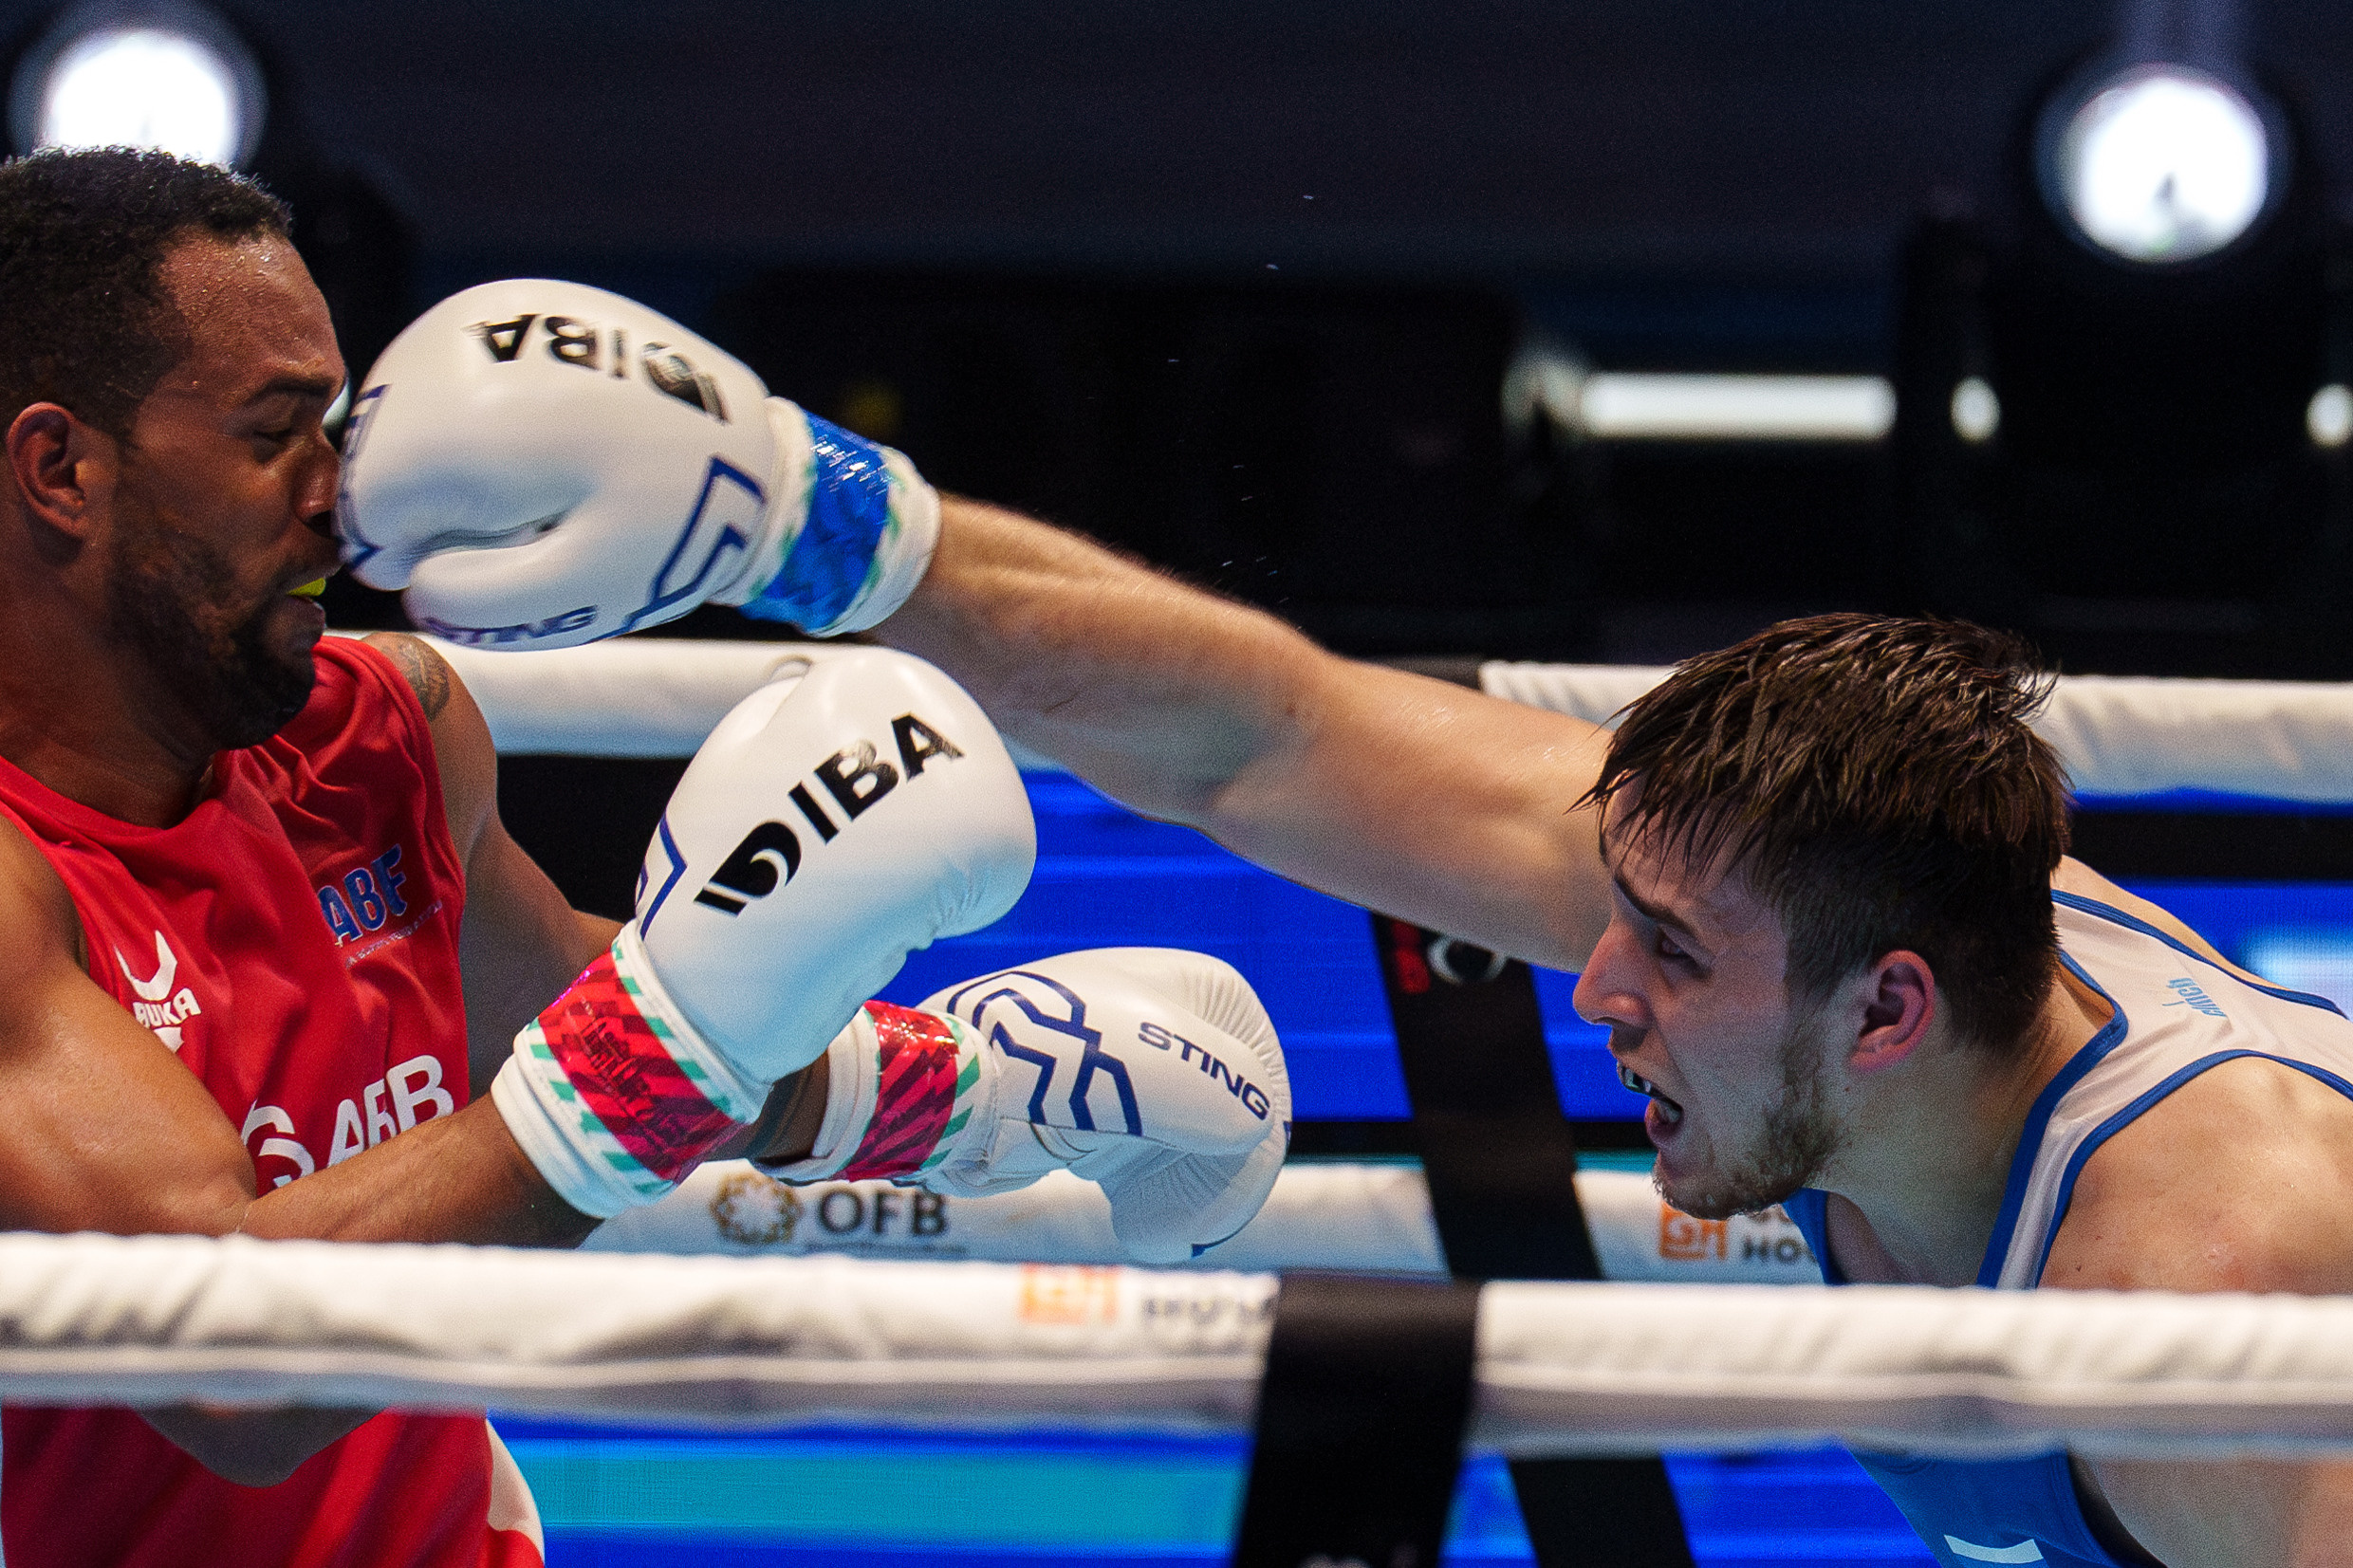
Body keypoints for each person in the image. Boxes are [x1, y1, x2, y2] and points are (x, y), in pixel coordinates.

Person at [352, 276, 2353, 1567]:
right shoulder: (1841, 920)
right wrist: (812, 521)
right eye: (1625, 912)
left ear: (1888, 1015)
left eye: (1666, 957)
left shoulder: (2223, 1301)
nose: (1595, 986)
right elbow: (1252, 728)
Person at [0, 150, 1288, 1568]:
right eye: (273, 434)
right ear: (62, 469)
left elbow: (600, 1015)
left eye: (341, 426)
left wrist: (993, 1093)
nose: (338, 500)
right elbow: (224, 1361)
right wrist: (660, 1044)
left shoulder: (374, 739)